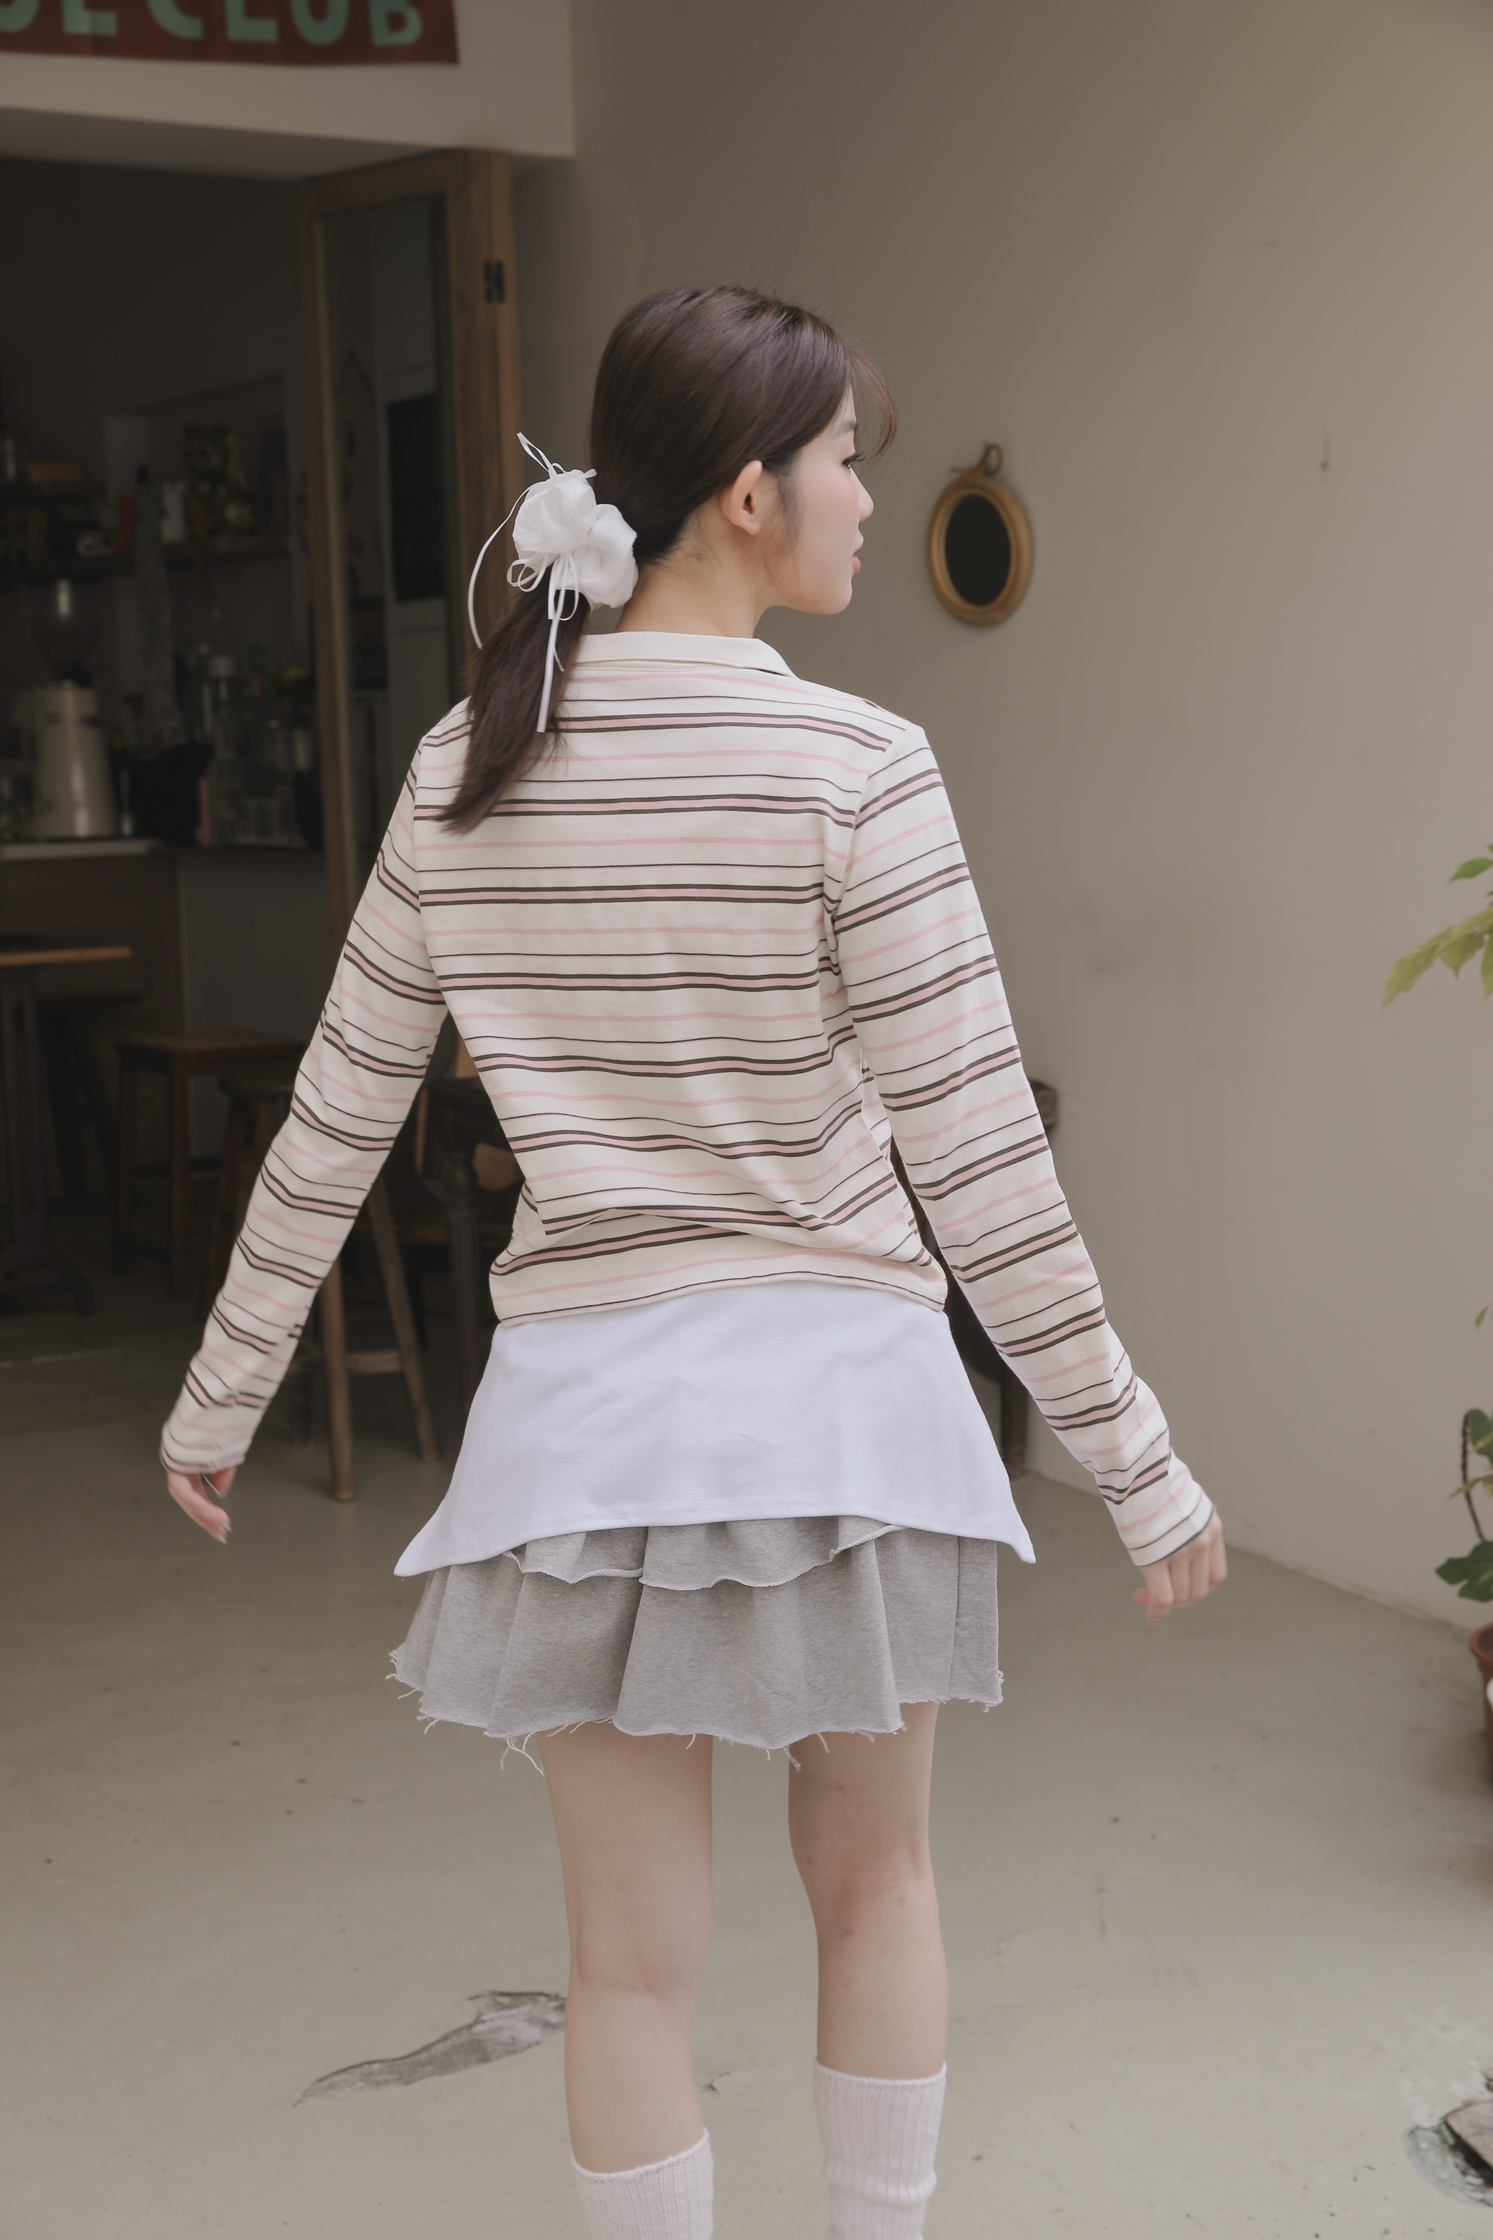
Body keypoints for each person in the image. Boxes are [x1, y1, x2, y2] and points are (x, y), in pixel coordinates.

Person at [161, 285, 1226, 2240]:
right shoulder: (858, 766)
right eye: (844, 464)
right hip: (846, 1433)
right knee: (878, 1894)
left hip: (590, 1445)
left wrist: (220, 1393)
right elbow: (979, 1159)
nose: (860, 499)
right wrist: (1136, 1463)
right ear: (747, 493)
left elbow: (334, 1119)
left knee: (625, 1970)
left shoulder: (465, 770)